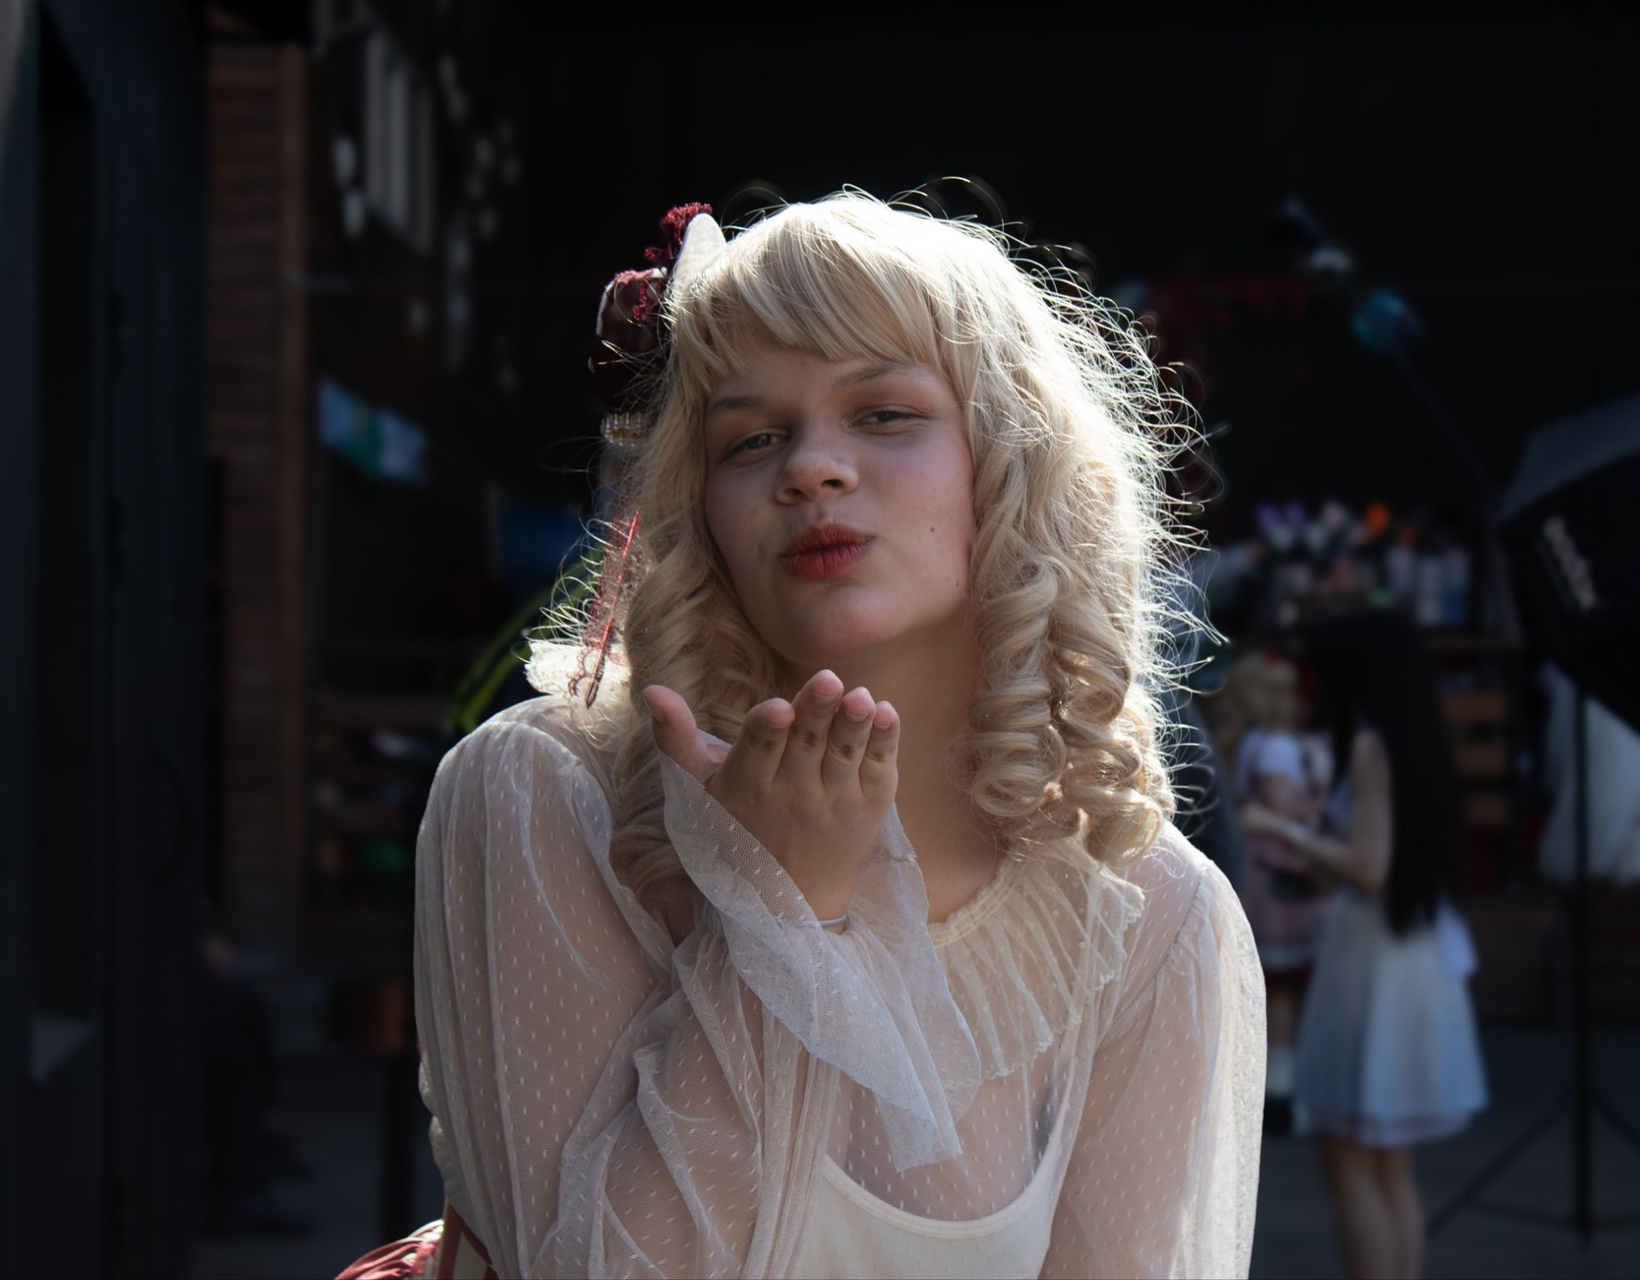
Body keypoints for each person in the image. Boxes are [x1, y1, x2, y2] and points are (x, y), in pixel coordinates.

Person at [343, 195, 1265, 1279]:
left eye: (884, 414)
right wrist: (778, 907)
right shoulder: (548, 793)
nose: (811, 467)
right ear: (702, 509)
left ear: (1010, 461)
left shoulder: (1149, 915)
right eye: (753, 437)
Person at [1239, 609, 1485, 1280]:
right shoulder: (1413, 742)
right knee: (1388, 1163)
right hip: (1405, 954)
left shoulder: (1374, 747)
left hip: (1373, 966)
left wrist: (1283, 831)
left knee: (1349, 1160)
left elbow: (1370, 867)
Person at [1224, 651, 1328, 1135]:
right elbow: (1284, 803)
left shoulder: (1250, 743)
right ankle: (1280, 1094)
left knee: (1276, 987)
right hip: (1281, 870)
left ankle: (1275, 1090)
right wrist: (1325, 800)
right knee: (1283, 987)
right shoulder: (1278, 748)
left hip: (1263, 865)